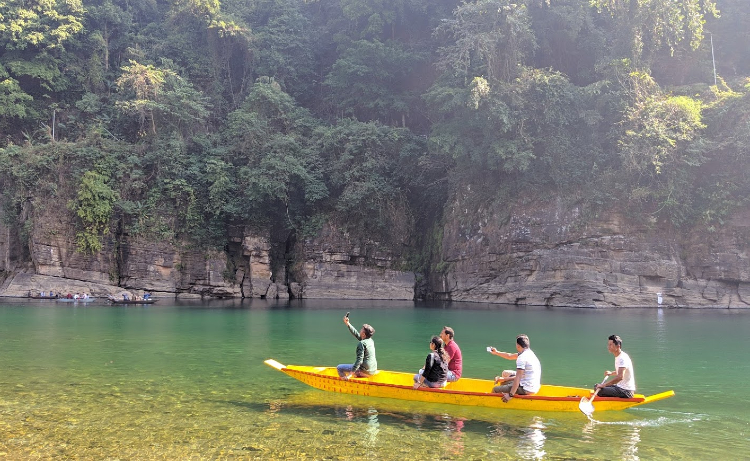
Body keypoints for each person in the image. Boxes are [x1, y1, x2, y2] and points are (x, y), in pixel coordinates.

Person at [489, 334, 542, 402]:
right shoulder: (529, 353)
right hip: (532, 385)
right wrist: (496, 352)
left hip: (527, 389)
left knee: (495, 389)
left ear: (518, 345)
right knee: (505, 373)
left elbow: (518, 377)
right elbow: (510, 356)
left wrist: (511, 395)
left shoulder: (522, 358)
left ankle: (497, 400)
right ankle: (505, 390)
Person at [336, 315, 377, 379]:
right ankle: (357, 374)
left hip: (364, 371)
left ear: (363, 334)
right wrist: (347, 323)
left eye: (361, 330)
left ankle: (345, 382)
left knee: (339, 367)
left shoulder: (362, 343)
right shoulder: (370, 341)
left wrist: (350, 375)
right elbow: (356, 334)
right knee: (354, 364)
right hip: (372, 370)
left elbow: (359, 361)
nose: (360, 330)